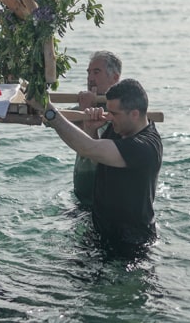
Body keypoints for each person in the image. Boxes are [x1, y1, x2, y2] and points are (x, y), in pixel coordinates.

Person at [42, 78, 161, 256]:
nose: (109, 117)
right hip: (101, 230)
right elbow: (98, 157)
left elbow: (87, 147)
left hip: (131, 242)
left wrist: (49, 112)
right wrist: (91, 130)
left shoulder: (144, 147)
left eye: (114, 113)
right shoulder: (120, 128)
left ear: (134, 114)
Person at [73, 51, 122, 208]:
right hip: (81, 197)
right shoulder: (81, 107)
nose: (90, 78)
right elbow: (56, 121)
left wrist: (86, 112)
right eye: (88, 72)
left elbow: (95, 150)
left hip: (105, 200)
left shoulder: (121, 113)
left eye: (96, 72)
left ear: (114, 78)